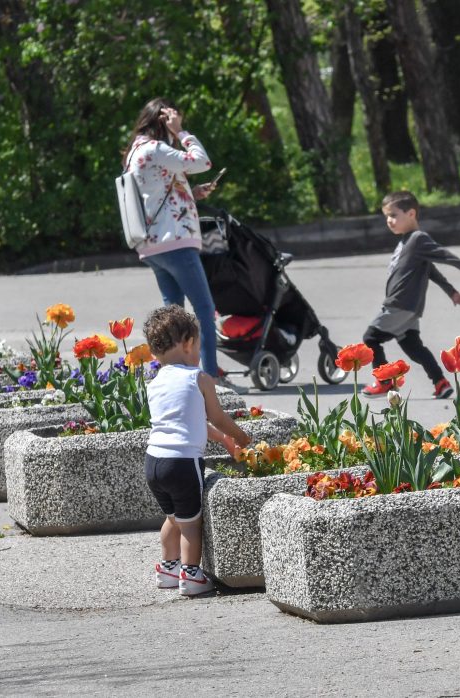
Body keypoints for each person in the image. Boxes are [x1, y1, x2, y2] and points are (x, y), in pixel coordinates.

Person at [123, 98, 239, 390]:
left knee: (173, 314)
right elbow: (202, 161)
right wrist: (183, 131)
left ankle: (176, 376)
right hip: (175, 242)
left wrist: (193, 191)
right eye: (172, 123)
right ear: (163, 121)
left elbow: (157, 189)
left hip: (152, 245)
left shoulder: (136, 152)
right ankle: (210, 378)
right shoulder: (156, 149)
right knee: (203, 308)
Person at [142, 305, 253, 596]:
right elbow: (216, 416)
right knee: (192, 523)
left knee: (173, 519)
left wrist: (221, 440)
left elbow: (189, 421)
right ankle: (191, 575)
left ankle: (167, 568)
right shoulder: (199, 378)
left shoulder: (154, 384)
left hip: (153, 462)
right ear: (189, 344)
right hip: (182, 463)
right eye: (200, 347)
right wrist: (240, 436)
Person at [362, 191, 460, 398]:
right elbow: (430, 270)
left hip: (399, 305)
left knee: (371, 338)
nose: (389, 221)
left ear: (411, 213)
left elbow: (442, 254)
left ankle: (384, 382)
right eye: (386, 217)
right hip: (408, 308)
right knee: (414, 348)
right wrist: (452, 292)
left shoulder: (418, 239)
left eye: (393, 215)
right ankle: (440, 382)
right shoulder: (406, 241)